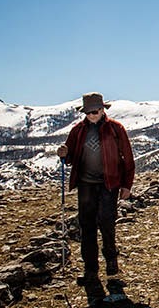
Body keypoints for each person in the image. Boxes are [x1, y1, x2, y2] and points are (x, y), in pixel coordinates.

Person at [57, 92, 135, 284]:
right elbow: (70, 157)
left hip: (110, 183)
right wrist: (64, 154)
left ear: (102, 110)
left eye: (94, 111)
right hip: (86, 184)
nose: (91, 115)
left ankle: (111, 261)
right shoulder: (77, 131)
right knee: (87, 226)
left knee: (107, 223)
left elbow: (128, 159)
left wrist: (127, 185)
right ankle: (90, 269)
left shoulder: (116, 129)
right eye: (88, 112)